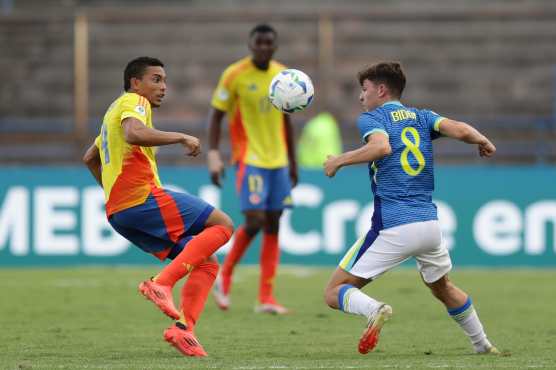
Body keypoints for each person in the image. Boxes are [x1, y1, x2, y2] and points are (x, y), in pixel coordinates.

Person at [323, 62, 500, 355]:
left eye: (364, 89)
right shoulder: (422, 116)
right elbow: (459, 129)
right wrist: (482, 140)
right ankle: (482, 344)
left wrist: (338, 160)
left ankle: (374, 309)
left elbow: (381, 148)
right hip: (429, 225)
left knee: (332, 292)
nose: (361, 97)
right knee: (442, 287)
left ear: (380, 90)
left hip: (394, 223)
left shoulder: (373, 118)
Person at [82, 56, 234, 357]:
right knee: (223, 224)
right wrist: (181, 136)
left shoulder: (111, 112)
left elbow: (90, 158)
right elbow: (134, 134)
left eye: (164, 80)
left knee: (206, 261)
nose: (163, 86)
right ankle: (161, 283)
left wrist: (113, 192)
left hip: (120, 212)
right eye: (156, 79)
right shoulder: (134, 102)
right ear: (135, 82)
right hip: (141, 197)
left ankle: (183, 330)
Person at [207, 24, 297, 314]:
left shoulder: (284, 77)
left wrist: (293, 162)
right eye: (259, 43)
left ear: (275, 46)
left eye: (269, 43)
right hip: (249, 159)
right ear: (250, 44)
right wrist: (213, 154)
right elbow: (216, 116)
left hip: (279, 162)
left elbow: (287, 121)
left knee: (273, 223)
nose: (263, 48)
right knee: (255, 220)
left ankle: (266, 297)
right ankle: (225, 276)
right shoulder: (234, 75)